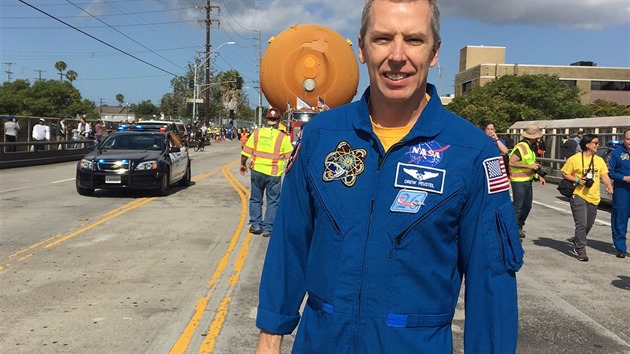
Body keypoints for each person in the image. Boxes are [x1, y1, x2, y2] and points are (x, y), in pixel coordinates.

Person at [255, 1, 524, 353]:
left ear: (435, 51)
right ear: (363, 48)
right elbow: (289, 244)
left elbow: (492, 284)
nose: (397, 56)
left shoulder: (472, 153)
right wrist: (270, 337)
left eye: (414, 40)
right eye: (383, 39)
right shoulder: (320, 137)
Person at [240, 108, 293, 238]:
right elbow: (290, 157)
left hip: (257, 171)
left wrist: (242, 164)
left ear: (266, 120)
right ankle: (269, 228)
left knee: (256, 199)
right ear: (278, 121)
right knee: (273, 201)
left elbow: (246, 152)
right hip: (274, 174)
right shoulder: (283, 137)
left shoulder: (257, 133)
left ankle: (256, 225)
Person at [561, 134, 613, 262]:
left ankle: (577, 240)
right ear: (587, 145)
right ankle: (580, 249)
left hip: (594, 196)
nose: (597, 145)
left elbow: (604, 175)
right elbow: (565, 173)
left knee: (588, 224)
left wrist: (609, 186)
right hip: (578, 194)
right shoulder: (575, 159)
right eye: (595, 143)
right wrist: (577, 179)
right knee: (582, 223)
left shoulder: (599, 161)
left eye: (597, 143)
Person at [508, 124, 546, 239]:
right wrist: (529, 166)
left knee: (527, 206)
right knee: (518, 206)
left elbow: (531, 164)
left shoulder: (530, 147)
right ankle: (513, 231)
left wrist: (538, 175)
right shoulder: (522, 147)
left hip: (527, 180)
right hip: (518, 180)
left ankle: (519, 226)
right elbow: (512, 162)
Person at [607, 128, 630, 258]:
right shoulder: (616, 154)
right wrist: (624, 178)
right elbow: (610, 172)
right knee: (620, 219)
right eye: (628, 139)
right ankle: (621, 248)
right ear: (623, 139)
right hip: (622, 190)